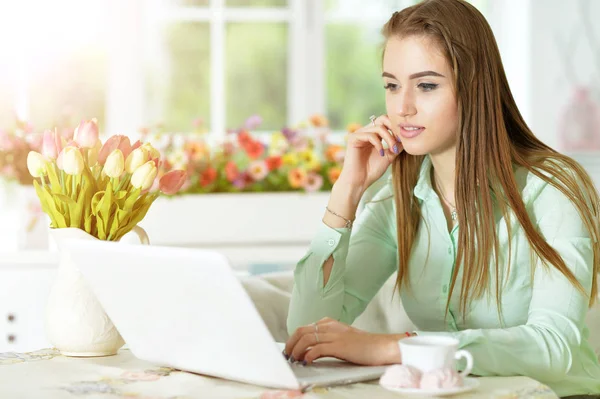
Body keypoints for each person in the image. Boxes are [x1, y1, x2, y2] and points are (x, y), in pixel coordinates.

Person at [283, 0, 600, 397]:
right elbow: (308, 332)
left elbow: (554, 347)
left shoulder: (553, 187)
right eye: (392, 85)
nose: (402, 108)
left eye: (427, 85)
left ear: (474, 86)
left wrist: (396, 347)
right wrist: (347, 192)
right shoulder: (397, 199)